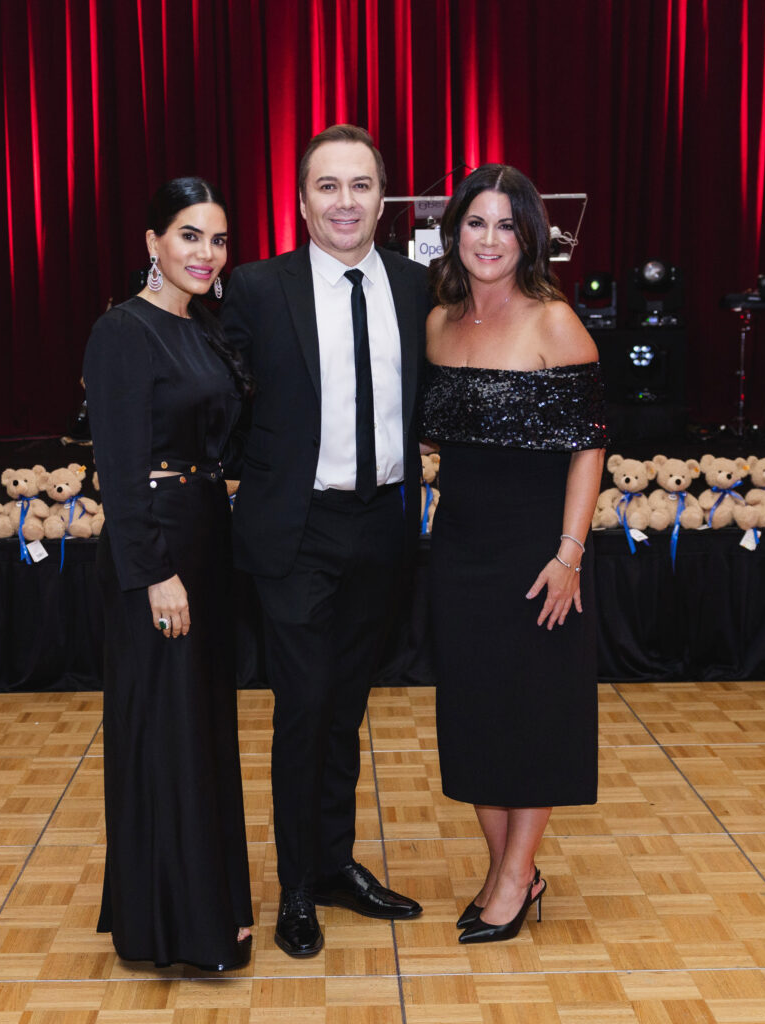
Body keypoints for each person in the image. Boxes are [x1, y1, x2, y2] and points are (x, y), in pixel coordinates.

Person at [221, 125, 429, 957]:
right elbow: (218, 397)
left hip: (383, 525)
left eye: (360, 185)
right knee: (303, 711)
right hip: (294, 531)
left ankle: (337, 865)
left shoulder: (420, 289)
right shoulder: (256, 289)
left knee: (346, 708)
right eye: (326, 186)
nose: (344, 201)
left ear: (384, 198)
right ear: (301, 200)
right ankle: (296, 886)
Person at [420, 164, 607, 944]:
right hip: (457, 548)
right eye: (475, 222)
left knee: (531, 721)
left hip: (534, 555)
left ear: (529, 234)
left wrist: (568, 555)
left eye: (505, 224)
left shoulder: (553, 322)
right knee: (474, 718)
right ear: (451, 231)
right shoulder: (437, 321)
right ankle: (513, 873)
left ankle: (508, 881)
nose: (489, 239)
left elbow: (588, 448)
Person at [82, 177, 254, 971]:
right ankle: (172, 926)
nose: (206, 254)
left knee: (200, 726)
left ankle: (205, 903)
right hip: (157, 552)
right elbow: (118, 467)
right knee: (165, 727)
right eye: (189, 236)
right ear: (152, 241)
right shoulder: (123, 332)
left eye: (217, 240)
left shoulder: (203, 328)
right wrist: (155, 573)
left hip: (203, 542)